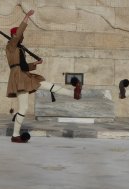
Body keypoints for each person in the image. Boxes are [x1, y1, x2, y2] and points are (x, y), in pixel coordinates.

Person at [6, 10, 82, 143]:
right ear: (14, 35)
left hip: (24, 76)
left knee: (47, 85)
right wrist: (26, 17)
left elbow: (22, 66)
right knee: (23, 108)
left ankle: (74, 94)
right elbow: (16, 63)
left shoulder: (19, 49)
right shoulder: (11, 46)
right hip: (19, 79)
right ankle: (15, 135)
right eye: (20, 34)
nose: (22, 36)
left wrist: (35, 63)